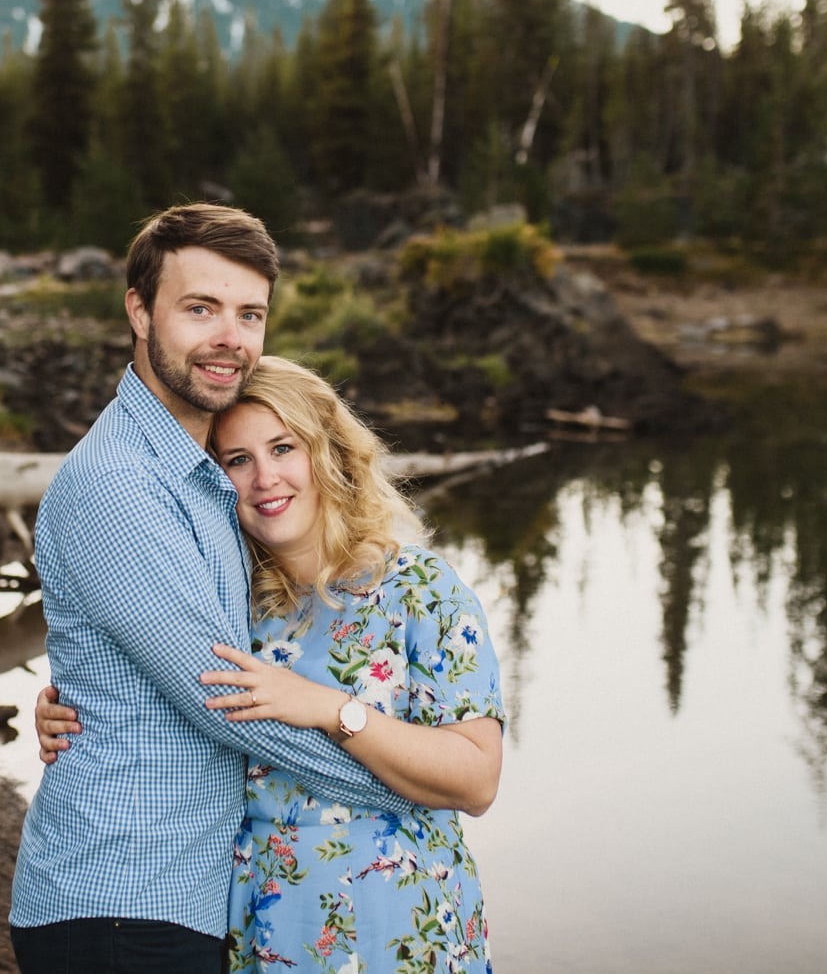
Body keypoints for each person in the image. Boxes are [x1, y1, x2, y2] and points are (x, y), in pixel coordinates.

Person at [8, 205, 416, 974]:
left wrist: (74, 694)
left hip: (175, 899)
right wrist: (409, 778)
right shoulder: (120, 486)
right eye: (201, 308)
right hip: (122, 902)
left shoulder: (205, 472)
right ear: (138, 310)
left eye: (249, 313)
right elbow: (228, 699)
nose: (229, 336)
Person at [39, 355, 505, 973]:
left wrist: (334, 710)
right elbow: (170, 700)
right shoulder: (229, 603)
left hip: (398, 916)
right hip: (259, 917)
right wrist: (72, 707)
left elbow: (476, 780)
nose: (265, 478)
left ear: (329, 453)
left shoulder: (420, 590)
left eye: (283, 448)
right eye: (237, 460)